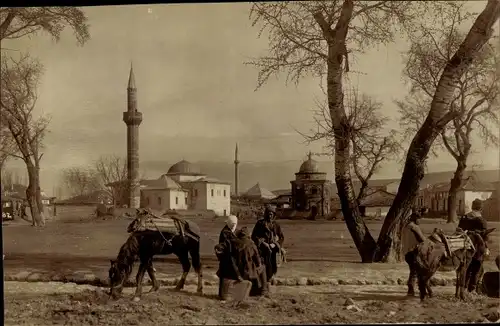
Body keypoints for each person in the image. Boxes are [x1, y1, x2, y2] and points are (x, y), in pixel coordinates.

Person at [251, 205, 284, 291]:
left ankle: (269, 281)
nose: (270, 216)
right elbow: (254, 236)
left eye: (272, 214)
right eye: (268, 214)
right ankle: (263, 285)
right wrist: (263, 243)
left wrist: (275, 244)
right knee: (263, 267)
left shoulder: (276, 225)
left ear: (274, 215)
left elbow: (282, 238)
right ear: (266, 214)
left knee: (273, 267)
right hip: (263, 250)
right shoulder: (260, 223)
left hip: (273, 250)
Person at [234, 227, 267, 297]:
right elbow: (257, 258)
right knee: (263, 267)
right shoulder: (251, 243)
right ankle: (263, 291)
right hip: (248, 270)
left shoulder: (235, 243)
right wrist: (259, 264)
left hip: (238, 270)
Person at [215, 215, 242, 301]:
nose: (234, 226)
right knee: (225, 275)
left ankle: (230, 294)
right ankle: (222, 295)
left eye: (235, 224)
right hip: (226, 257)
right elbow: (227, 245)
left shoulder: (235, 231)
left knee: (231, 275)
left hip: (233, 257)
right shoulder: (225, 232)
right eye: (232, 224)